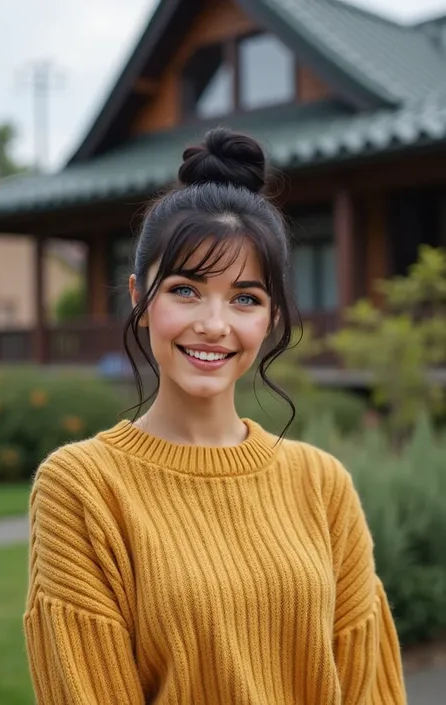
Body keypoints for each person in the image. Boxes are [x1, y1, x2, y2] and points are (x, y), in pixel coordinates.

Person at [24, 127, 406, 704]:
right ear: (139, 297)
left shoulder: (322, 483)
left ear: (271, 318)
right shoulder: (81, 488)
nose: (214, 323)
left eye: (245, 298)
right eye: (186, 289)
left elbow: (366, 685)